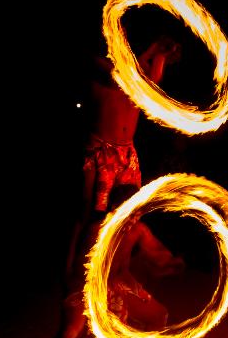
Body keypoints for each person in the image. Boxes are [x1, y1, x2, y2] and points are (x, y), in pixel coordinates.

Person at [31, 184, 188, 338]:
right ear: (116, 208)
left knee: (158, 314)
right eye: (131, 210)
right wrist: (91, 297)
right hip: (87, 283)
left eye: (138, 210)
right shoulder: (99, 229)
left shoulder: (138, 230)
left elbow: (159, 257)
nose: (135, 216)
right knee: (70, 332)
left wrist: (174, 263)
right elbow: (80, 267)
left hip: (117, 282)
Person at [67, 35, 182, 274]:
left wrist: (161, 54)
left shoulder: (135, 75)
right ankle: (74, 267)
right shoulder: (99, 64)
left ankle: (120, 271)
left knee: (130, 214)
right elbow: (121, 78)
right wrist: (152, 49)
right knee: (92, 214)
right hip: (102, 152)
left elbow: (152, 83)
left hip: (126, 153)